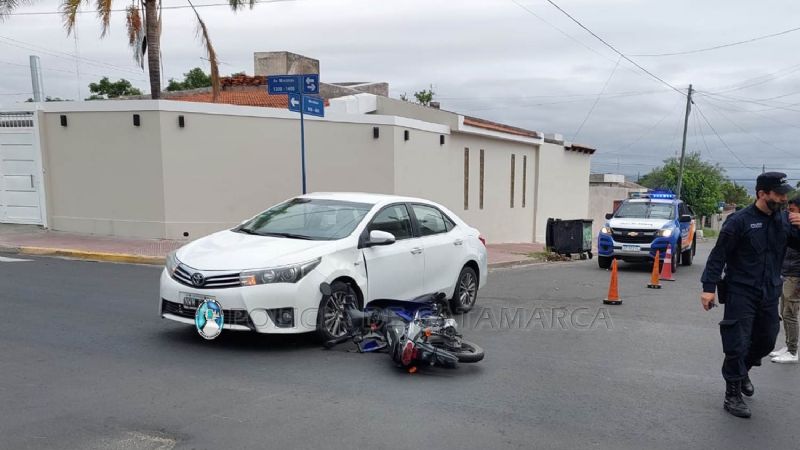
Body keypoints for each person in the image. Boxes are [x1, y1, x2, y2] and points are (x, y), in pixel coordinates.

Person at [701, 172, 800, 418]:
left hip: (769, 291)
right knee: (737, 342)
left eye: (785, 194)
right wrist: (708, 288)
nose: (784, 199)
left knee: (767, 339)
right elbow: (718, 255)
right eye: (779, 194)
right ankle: (732, 394)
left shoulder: (785, 221)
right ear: (762, 194)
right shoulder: (739, 221)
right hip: (740, 291)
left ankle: (742, 370)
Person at [770, 197, 800, 363]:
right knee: (784, 312)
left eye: (793, 210)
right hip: (787, 273)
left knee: (790, 313)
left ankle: (793, 351)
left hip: (796, 276)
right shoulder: (791, 227)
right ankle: (788, 345)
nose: (789, 214)